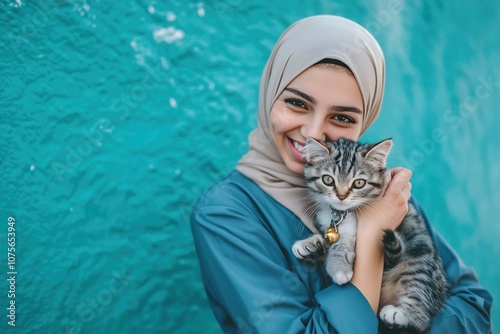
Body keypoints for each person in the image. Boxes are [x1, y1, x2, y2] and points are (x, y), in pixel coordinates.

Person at [190, 15, 492, 333]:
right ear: (269, 93)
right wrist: (372, 233)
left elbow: (472, 302)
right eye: (296, 103)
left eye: (343, 118)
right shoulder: (225, 214)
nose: (314, 132)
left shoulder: (379, 187)